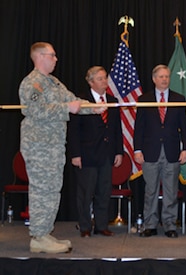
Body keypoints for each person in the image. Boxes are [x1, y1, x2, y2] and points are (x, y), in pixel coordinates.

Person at [19, 42, 104, 253]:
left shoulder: (53, 82)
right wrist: (67, 107)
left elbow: (73, 100)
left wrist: (94, 108)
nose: (56, 59)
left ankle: (44, 233)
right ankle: (38, 236)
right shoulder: (31, 83)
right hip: (39, 146)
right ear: (40, 57)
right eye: (52, 55)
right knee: (41, 191)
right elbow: (36, 111)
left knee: (52, 191)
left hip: (54, 147)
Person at [133, 64, 186, 238]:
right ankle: (150, 224)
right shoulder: (144, 99)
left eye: (167, 76)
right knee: (150, 191)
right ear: (154, 79)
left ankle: (169, 225)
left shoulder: (179, 99)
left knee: (171, 191)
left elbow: (185, 128)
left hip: (172, 152)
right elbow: (139, 128)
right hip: (150, 152)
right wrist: (137, 150)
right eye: (161, 76)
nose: (164, 79)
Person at [67, 66, 124, 238]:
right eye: (100, 78)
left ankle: (101, 225)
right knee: (85, 193)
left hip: (106, 154)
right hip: (87, 155)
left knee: (104, 192)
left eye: (105, 77)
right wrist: (75, 154)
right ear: (91, 82)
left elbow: (116, 129)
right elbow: (74, 130)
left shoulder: (112, 100)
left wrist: (118, 152)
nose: (104, 81)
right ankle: (85, 227)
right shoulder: (81, 101)